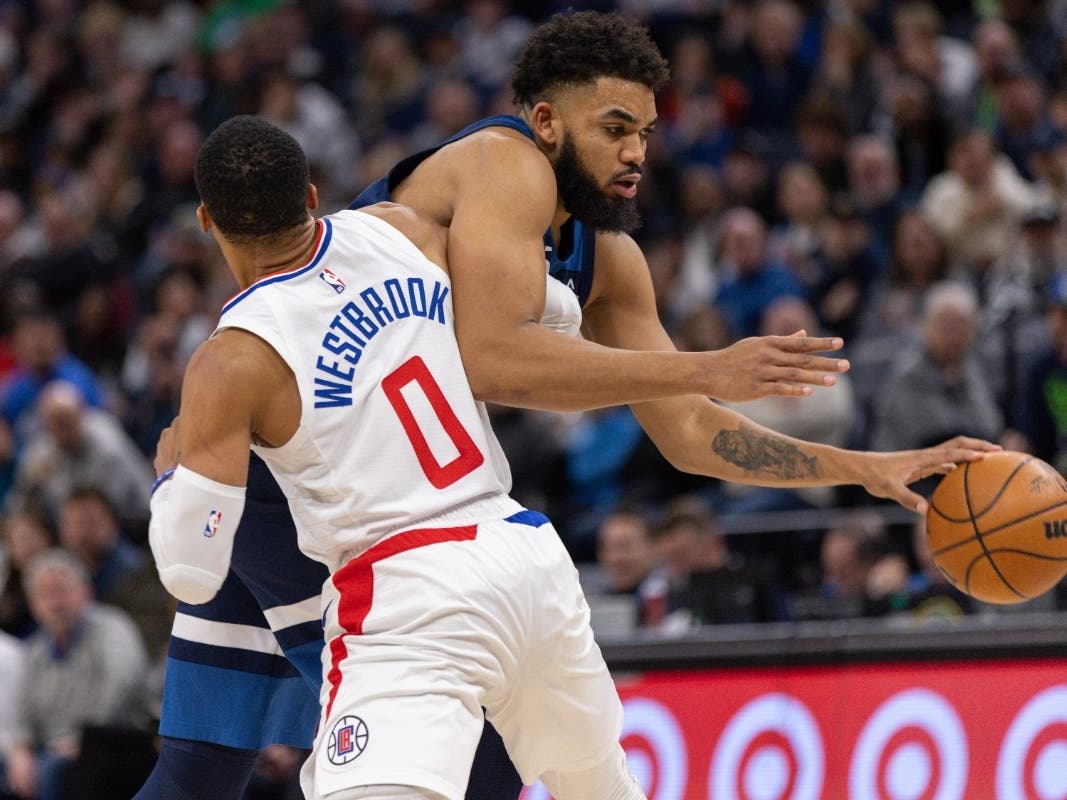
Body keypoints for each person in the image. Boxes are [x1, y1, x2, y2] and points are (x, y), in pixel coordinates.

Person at [144, 12, 997, 800]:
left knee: (218, 768)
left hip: (417, 514)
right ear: (546, 122)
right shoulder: (501, 165)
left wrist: (863, 469)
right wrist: (708, 363)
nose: (636, 153)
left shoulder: (608, 262)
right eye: (614, 128)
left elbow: (693, 433)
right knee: (276, 766)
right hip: (288, 487)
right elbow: (494, 362)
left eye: (647, 133)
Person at [152, 115, 648, 800]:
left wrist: (170, 475)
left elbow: (191, 571)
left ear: (205, 220)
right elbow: (547, 313)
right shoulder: (401, 229)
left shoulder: (230, 360)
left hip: (406, 592)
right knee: (603, 790)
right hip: (524, 556)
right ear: (311, 196)